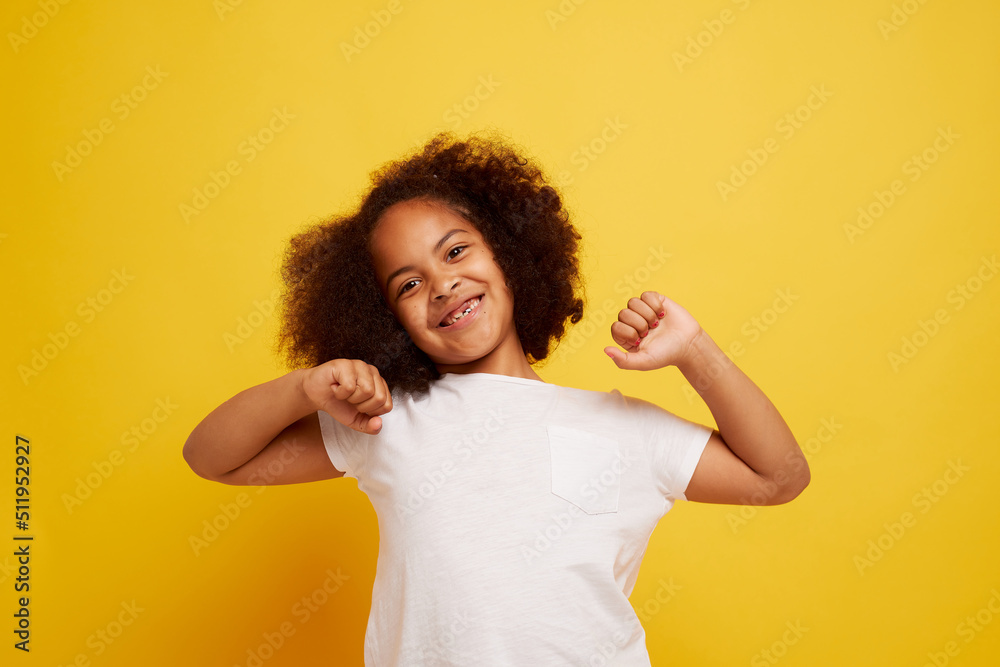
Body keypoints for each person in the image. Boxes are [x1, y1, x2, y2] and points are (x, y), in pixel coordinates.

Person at [183, 132, 810, 666]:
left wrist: (694, 352)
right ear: (384, 319)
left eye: (456, 251)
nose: (443, 283)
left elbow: (778, 476)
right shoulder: (385, 420)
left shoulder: (624, 429)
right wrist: (304, 387)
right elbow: (216, 458)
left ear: (508, 253)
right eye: (408, 284)